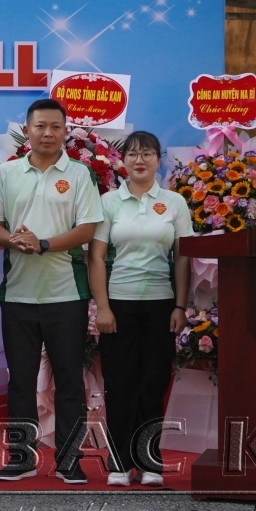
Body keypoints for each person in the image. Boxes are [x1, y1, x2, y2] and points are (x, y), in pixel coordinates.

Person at [0, 99, 102, 484]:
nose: (48, 133)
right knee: (20, 380)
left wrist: (45, 244)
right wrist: (14, 241)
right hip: (18, 296)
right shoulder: (7, 174)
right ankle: (22, 458)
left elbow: (87, 229)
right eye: (40, 126)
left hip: (66, 294)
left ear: (65, 130)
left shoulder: (80, 174)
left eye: (56, 126)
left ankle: (70, 460)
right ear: (28, 129)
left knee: (69, 380)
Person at [86, 130, 191, 488]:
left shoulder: (175, 202)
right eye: (132, 154)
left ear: (158, 160)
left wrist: (180, 304)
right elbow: (96, 258)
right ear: (123, 161)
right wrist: (103, 306)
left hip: (161, 304)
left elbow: (182, 258)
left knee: (153, 382)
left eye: (147, 154)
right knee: (119, 383)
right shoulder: (108, 203)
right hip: (119, 305)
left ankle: (150, 463)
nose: (140, 160)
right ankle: (119, 462)